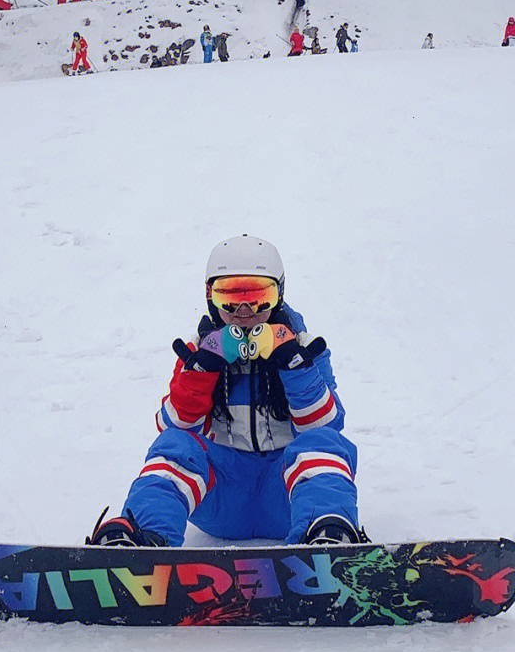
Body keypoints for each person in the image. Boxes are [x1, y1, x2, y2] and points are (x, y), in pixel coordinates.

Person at [86, 235, 363, 549]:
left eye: (259, 297)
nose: (244, 311)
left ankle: (328, 538)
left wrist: (295, 368)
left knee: (323, 441)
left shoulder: (303, 348)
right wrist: (201, 373)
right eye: (229, 297)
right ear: (210, 297)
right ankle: (146, 543)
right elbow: (173, 431)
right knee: (176, 444)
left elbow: (326, 430)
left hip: (286, 496)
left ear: (279, 295)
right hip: (221, 499)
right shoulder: (198, 353)